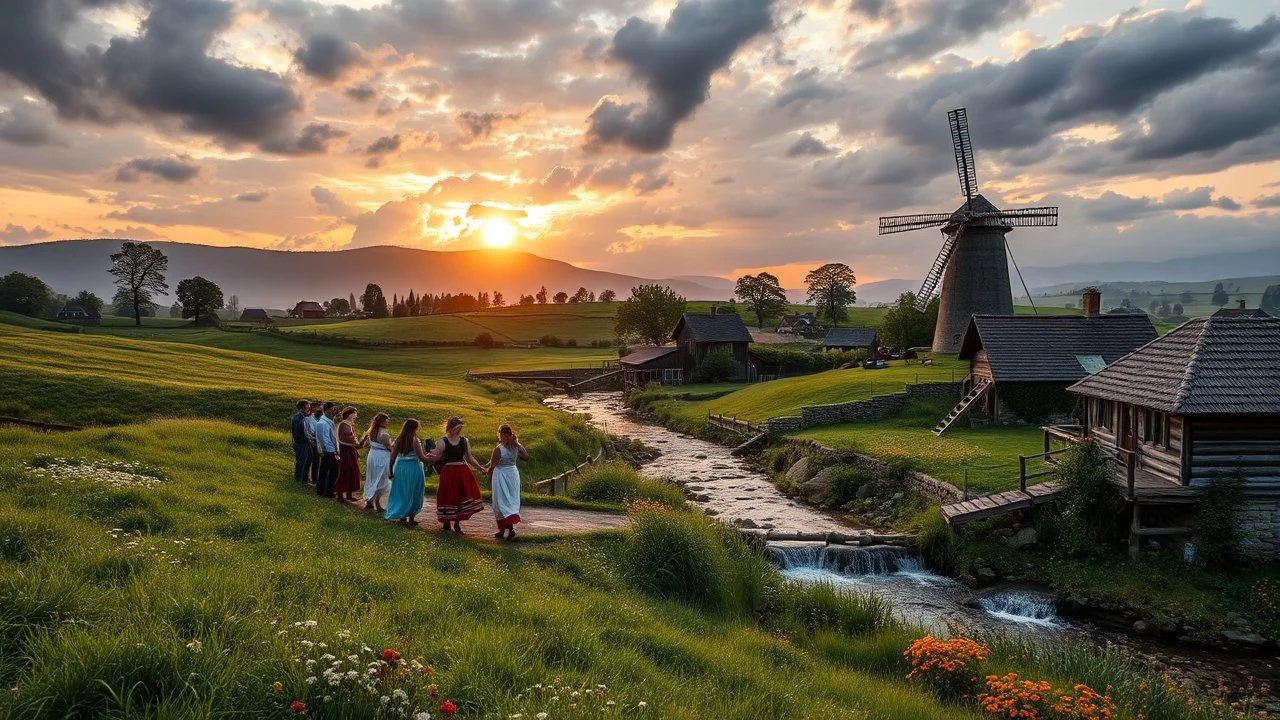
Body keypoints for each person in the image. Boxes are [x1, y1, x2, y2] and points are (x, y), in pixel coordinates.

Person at [427, 416, 486, 535]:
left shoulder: (464, 440)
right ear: (451, 427)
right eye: (457, 427)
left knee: (461, 495)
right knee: (448, 495)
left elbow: (469, 457)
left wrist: (480, 468)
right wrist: (426, 456)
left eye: (460, 428)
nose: (459, 430)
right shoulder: (443, 441)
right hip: (449, 471)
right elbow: (437, 455)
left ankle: (458, 523)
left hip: (462, 471)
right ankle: (447, 521)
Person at [486, 424, 529, 540]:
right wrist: (518, 445)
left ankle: (506, 529)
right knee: (508, 501)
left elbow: (492, 465)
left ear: (502, 435)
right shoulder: (515, 446)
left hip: (501, 475)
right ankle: (506, 529)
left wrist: (487, 473)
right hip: (512, 474)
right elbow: (526, 456)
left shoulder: (499, 449)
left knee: (501, 502)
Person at [385, 419, 430, 525]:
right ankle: (411, 517)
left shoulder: (398, 440)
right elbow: (422, 458)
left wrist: (390, 472)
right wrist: (433, 458)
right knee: (414, 491)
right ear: (414, 428)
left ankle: (402, 516)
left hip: (401, 468)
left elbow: (392, 458)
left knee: (402, 491)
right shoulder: (415, 440)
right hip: (413, 467)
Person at [362, 412, 393, 513]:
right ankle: (377, 504)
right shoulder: (384, 434)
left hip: (372, 456)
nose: (387, 423)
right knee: (381, 479)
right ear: (381, 422)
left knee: (372, 478)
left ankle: (370, 500)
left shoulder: (371, 431)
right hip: (381, 457)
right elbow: (389, 448)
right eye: (385, 421)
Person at [334, 406, 364, 503]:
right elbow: (345, 438)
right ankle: (340, 494)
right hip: (346, 450)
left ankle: (349, 494)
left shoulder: (349, 424)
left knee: (353, 471)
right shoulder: (343, 424)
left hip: (350, 450)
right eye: (353, 413)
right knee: (346, 471)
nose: (354, 415)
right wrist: (357, 443)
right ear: (348, 414)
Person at [315, 401, 339, 498]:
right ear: (327, 411)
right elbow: (322, 439)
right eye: (332, 410)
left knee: (326, 470)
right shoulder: (322, 423)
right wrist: (330, 450)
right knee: (332, 471)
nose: (334, 412)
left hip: (330, 449)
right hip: (328, 450)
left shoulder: (328, 421)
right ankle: (328, 491)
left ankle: (322, 490)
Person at [290, 400, 310, 483]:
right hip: (301, 443)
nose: (308, 409)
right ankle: (299, 478)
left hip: (300, 442)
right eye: (307, 408)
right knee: (302, 460)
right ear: (301, 409)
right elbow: (299, 433)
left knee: (302, 460)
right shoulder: (299, 419)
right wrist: (308, 439)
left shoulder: (298, 417)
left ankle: (300, 477)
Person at [303, 400, 322, 485]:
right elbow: (308, 431)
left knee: (314, 460)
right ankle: (314, 479)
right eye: (319, 406)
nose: (320, 408)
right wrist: (313, 438)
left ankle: (310, 477)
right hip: (313, 442)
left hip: (315, 441)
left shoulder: (313, 416)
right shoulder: (307, 419)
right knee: (315, 461)